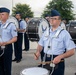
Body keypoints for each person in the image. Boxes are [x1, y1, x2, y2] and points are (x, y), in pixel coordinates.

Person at [34, 9, 75, 75]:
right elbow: (40, 45)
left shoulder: (64, 33)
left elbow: (72, 51)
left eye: (55, 19)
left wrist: (60, 57)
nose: (52, 20)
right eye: (51, 18)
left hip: (57, 61)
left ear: (59, 21)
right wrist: (38, 51)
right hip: (45, 59)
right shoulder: (46, 32)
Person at [0, 7, 17, 75]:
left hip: (7, 48)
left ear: (7, 16)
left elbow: (15, 38)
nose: (0, 15)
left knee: (7, 67)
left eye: (2, 14)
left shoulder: (11, 25)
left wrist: (6, 42)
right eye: (0, 14)